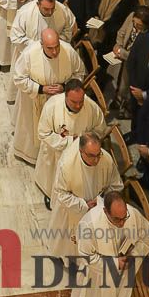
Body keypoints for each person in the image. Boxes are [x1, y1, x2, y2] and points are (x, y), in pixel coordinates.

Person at [12, 29, 85, 162]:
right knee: (33, 129)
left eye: (57, 46)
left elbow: (79, 73)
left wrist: (64, 86)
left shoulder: (68, 52)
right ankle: (32, 156)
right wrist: (40, 88)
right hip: (35, 100)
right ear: (41, 44)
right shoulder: (29, 54)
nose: (55, 52)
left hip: (61, 100)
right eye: (50, 48)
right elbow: (18, 78)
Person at [71, 189, 149, 297]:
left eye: (124, 217)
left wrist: (133, 256)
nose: (122, 223)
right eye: (117, 219)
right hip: (98, 276)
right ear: (105, 211)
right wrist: (115, 263)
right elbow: (87, 257)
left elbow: (146, 237)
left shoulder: (132, 214)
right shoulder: (89, 225)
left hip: (124, 273)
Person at [49, 132, 123, 258]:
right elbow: (61, 193)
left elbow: (116, 185)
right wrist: (84, 205)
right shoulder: (67, 165)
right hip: (74, 210)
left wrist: (101, 200)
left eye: (98, 154)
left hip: (98, 207)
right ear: (81, 151)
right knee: (69, 244)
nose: (96, 160)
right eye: (91, 156)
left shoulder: (106, 159)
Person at [35, 80, 107, 209]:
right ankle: (50, 194)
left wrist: (87, 141)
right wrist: (70, 142)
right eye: (74, 102)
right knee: (53, 179)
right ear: (65, 96)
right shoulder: (52, 106)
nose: (78, 106)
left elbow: (100, 129)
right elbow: (43, 133)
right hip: (56, 153)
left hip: (81, 155)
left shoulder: (91, 107)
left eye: (81, 102)